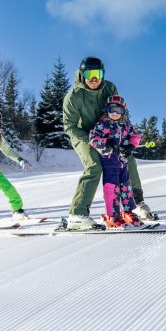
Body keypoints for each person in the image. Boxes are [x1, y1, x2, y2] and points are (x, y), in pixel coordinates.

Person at [62, 56, 154, 230]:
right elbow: (70, 126)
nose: (94, 79)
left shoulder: (109, 87)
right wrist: (93, 142)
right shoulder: (73, 97)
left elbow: (119, 111)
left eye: (98, 73)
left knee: (128, 160)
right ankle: (77, 214)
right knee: (94, 166)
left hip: (110, 133)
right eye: (89, 74)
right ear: (82, 75)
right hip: (84, 136)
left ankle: (137, 204)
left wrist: (126, 138)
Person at [89, 95, 144, 228]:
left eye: (119, 110)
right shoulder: (103, 124)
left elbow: (136, 136)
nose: (115, 113)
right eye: (112, 109)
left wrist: (131, 146)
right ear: (107, 109)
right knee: (111, 188)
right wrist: (106, 144)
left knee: (126, 187)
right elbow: (93, 138)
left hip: (123, 161)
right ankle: (112, 216)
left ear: (123, 112)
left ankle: (128, 212)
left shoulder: (126, 125)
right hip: (110, 162)